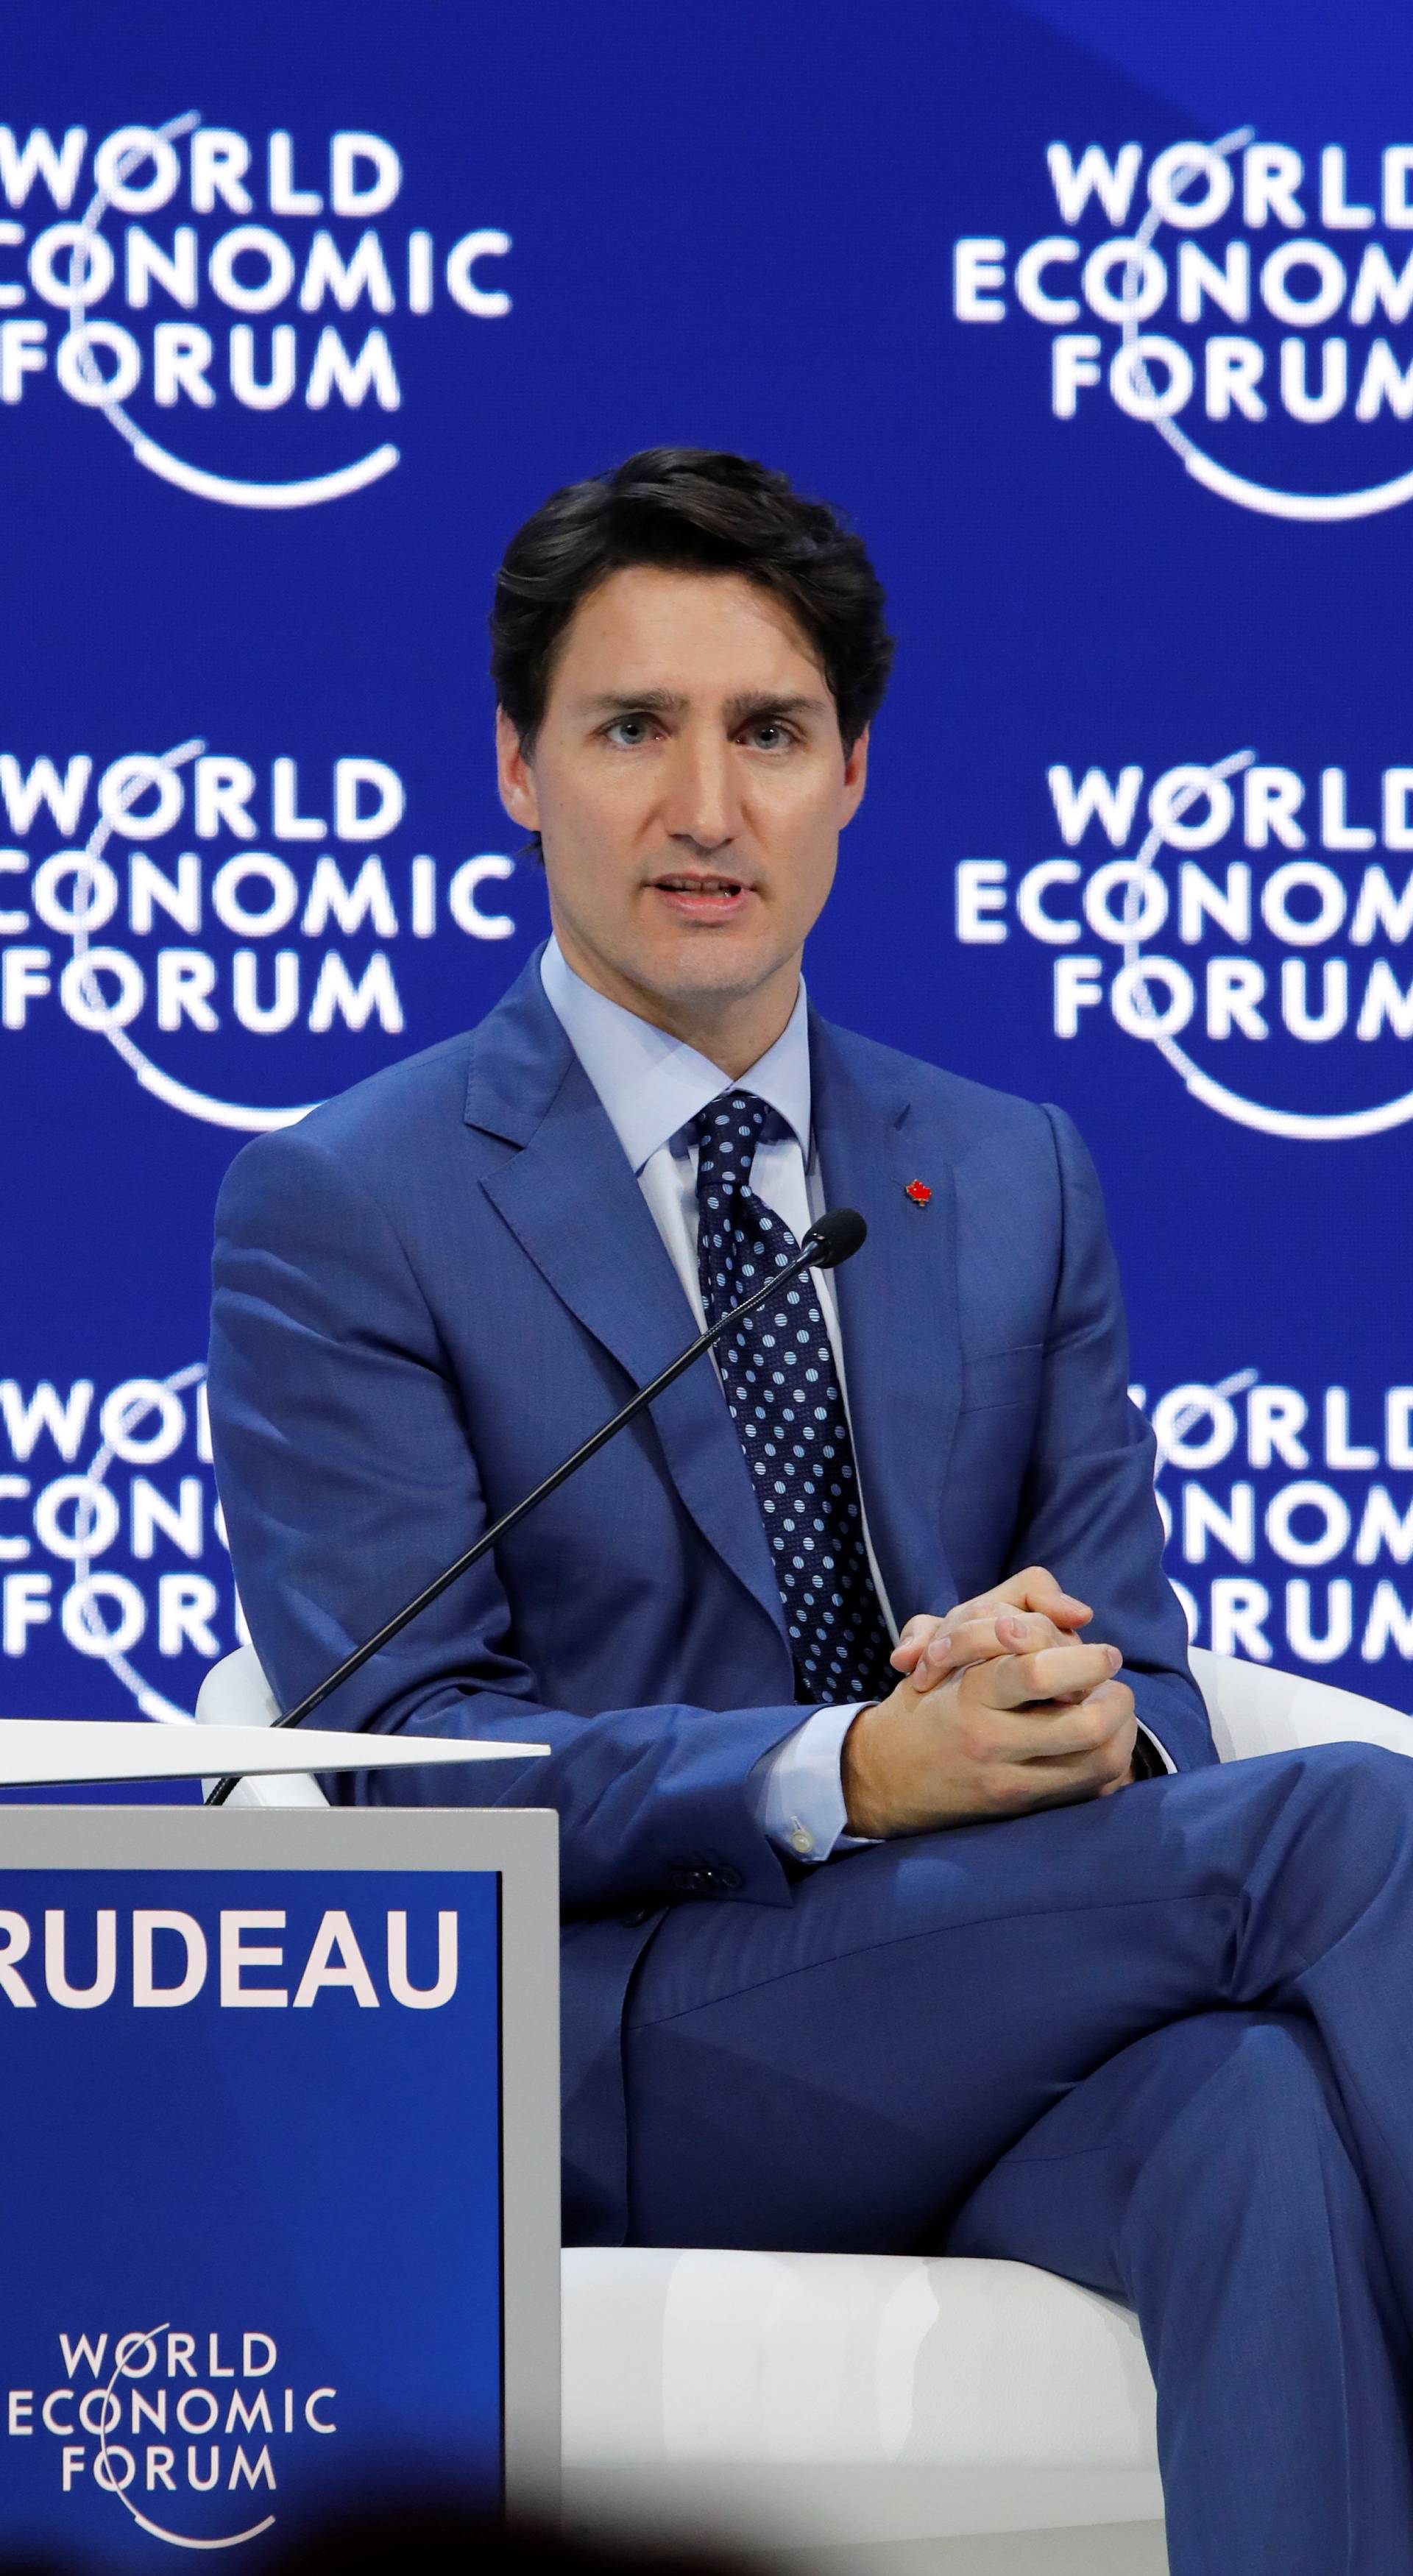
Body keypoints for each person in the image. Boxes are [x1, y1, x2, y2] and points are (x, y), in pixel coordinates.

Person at [210, 450, 1413, 2576]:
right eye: (631, 728)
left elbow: (1157, 1683)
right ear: (514, 766)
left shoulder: (1012, 1167)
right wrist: (851, 1761)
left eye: (767, 732)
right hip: (632, 2034)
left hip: (1001, 1983)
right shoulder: (348, 1201)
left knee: (1258, 2129)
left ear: (854, 769)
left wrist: (1069, 1705)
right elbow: (395, 1766)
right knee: (1357, 1829)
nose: (706, 804)